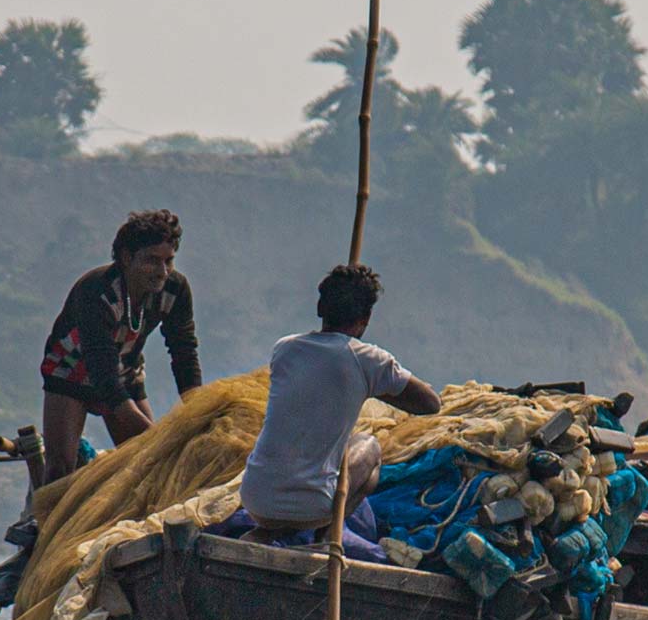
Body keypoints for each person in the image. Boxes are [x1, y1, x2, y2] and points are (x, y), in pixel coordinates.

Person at [239, 264, 440, 539]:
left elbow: (319, 385)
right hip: (313, 508)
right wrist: (375, 382)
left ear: (320, 308)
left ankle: (268, 531)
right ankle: (326, 534)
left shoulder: (284, 348)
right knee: (369, 448)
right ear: (366, 319)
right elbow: (431, 403)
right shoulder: (369, 360)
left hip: (255, 499)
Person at [38, 209, 201, 483]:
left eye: (169, 261)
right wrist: (159, 438)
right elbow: (102, 373)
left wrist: (199, 414)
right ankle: (47, 522)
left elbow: (183, 351)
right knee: (60, 470)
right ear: (127, 258)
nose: (162, 272)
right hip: (70, 371)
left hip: (125, 370)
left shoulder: (175, 290)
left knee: (148, 467)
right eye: (152, 260)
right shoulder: (96, 291)